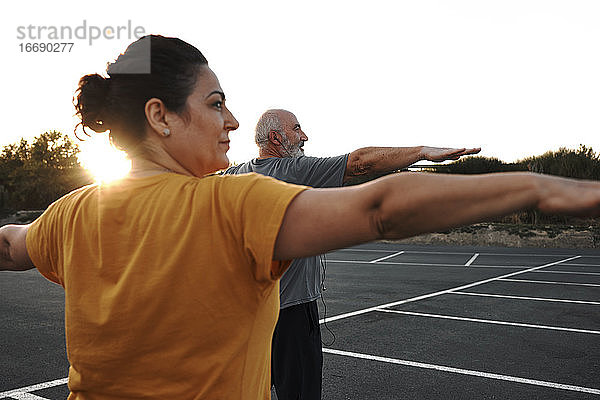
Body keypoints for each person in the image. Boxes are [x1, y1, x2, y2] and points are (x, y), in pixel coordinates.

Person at [1, 35, 599, 400]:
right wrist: (541, 187)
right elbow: (381, 209)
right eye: (216, 104)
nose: (231, 122)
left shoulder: (69, 215)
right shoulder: (231, 202)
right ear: (161, 117)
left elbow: (8, 246)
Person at [224, 108, 481, 400]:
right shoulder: (293, 171)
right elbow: (359, 163)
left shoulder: (234, 175)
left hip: (251, 313)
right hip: (292, 313)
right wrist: (421, 151)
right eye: (297, 129)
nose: (304, 136)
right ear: (275, 137)